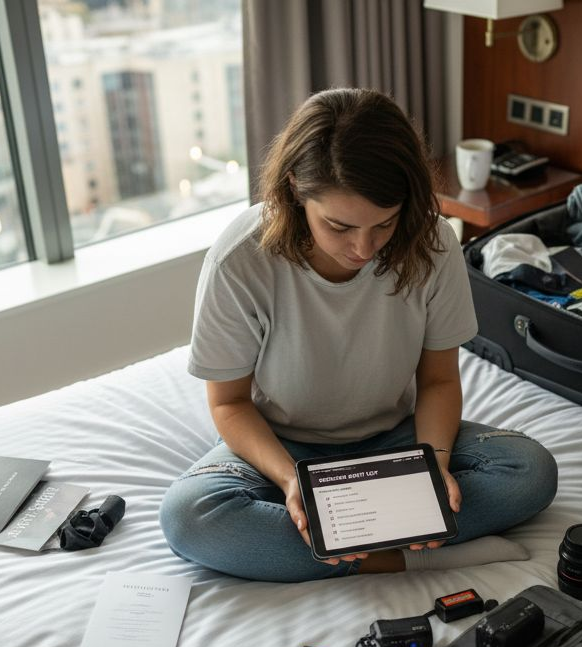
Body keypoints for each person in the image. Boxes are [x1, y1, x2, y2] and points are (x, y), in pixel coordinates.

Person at [161, 88, 557, 582]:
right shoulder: (241, 261)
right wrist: (291, 483)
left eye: (384, 224)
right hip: (284, 448)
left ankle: (340, 547)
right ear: (295, 189)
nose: (364, 248)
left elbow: (438, 381)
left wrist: (433, 466)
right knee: (190, 517)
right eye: (339, 226)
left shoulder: (433, 243)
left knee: (529, 472)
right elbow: (229, 404)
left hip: (397, 441)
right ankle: (410, 553)